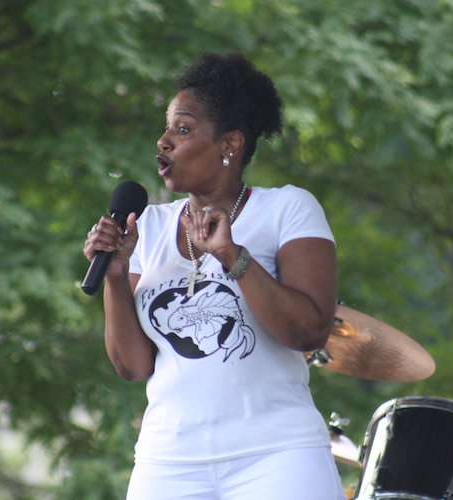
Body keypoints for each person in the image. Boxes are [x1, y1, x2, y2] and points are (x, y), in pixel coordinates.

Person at [83, 52, 344, 500]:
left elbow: (308, 331)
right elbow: (132, 366)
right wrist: (116, 275)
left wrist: (230, 254)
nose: (164, 141)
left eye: (182, 130)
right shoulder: (148, 226)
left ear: (230, 144)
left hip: (277, 456)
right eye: (165, 128)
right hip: (168, 461)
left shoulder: (286, 208)